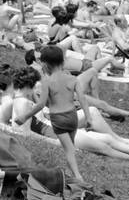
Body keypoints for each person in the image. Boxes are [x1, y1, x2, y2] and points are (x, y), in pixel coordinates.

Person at [16, 45, 84, 182]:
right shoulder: (70, 79)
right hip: (71, 119)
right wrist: (87, 116)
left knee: (70, 150)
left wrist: (24, 117)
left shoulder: (46, 82)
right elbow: (82, 100)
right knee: (72, 147)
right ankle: (72, 175)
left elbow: (41, 105)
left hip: (59, 120)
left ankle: (77, 178)